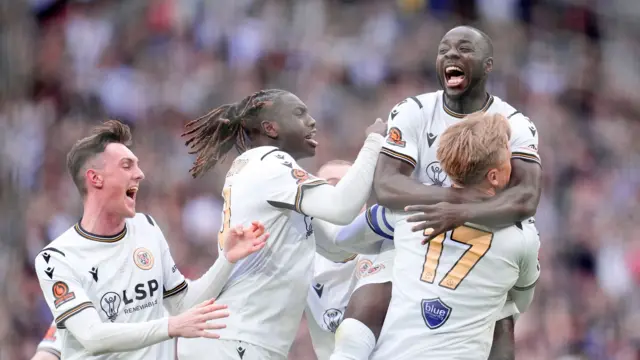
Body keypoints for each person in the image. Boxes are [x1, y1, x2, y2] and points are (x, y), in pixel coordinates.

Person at [332, 25, 542, 360]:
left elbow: (527, 197)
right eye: (444, 49)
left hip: (482, 232)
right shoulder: (414, 110)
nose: (451, 55)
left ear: (488, 65)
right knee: (374, 292)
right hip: (417, 226)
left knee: (502, 322)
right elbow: (386, 185)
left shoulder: (514, 124)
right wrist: (456, 199)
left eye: (464, 49)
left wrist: (465, 213)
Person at [176, 89, 386, 360]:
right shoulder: (271, 163)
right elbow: (341, 207)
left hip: (238, 339)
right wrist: (374, 142)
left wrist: (390, 226)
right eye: (299, 113)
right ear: (270, 127)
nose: (312, 121)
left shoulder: (265, 175)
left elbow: (336, 247)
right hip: (237, 340)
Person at [34, 120, 269, 359]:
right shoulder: (56, 258)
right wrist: (170, 326)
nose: (140, 174)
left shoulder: (146, 227)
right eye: (127, 166)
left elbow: (183, 304)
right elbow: (92, 336)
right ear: (96, 179)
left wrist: (226, 259)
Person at [370, 112, 539, 360]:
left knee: (378, 262)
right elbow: (522, 303)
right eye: (507, 151)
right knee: (505, 311)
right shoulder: (521, 237)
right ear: (494, 176)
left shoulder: (409, 208)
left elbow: (344, 236)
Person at [304, 160, 393, 360]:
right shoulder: (302, 257)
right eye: (333, 186)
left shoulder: (389, 247)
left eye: (353, 186)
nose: (344, 193)